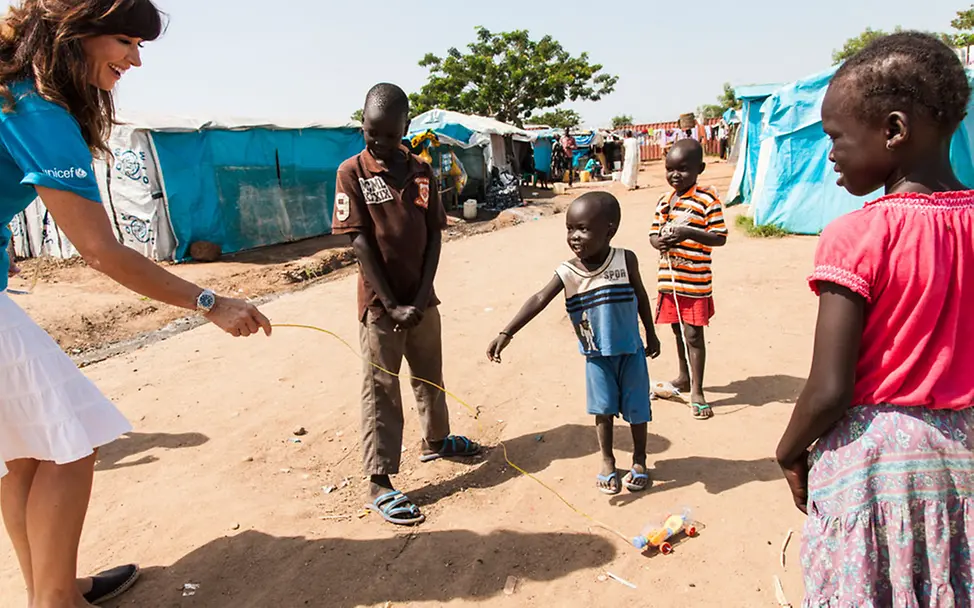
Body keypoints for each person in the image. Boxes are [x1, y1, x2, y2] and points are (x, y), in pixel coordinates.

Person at [0, 2, 272, 607]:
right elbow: (100, 250)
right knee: (72, 444)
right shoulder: (37, 109)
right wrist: (209, 300)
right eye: (124, 40)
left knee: (25, 453)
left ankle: (51, 588)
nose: (135, 58)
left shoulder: (11, 93)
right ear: (72, 36)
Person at [775, 32, 974, 605]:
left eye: (836, 137)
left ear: (893, 130)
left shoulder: (857, 236)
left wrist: (789, 450)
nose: (829, 153)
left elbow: (831, 388)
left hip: (875, 465)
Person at [332, 83, 480, 527]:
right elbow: (359, 243)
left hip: (420, 300)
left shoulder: (420, 171)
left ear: (405, 128)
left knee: (429, 375)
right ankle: (379, 480)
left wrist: (419, 297)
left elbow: (434, 234)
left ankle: (436, 440)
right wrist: (392, 303)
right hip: (381, 307)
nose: (375, 141)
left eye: (386, 134)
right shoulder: (352, 172)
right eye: (369, 131)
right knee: (380, 389)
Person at [487, 192, 661, 495]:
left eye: (583, 229)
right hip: (596, 356)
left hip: (631, 352)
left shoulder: (625, 259)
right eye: (570, 229)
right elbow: (540, 299)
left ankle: (640, 460)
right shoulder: (568, 272)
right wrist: (507, 332)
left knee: (637, 410)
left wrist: (651, 332)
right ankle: (607, 461)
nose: (574, 237)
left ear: (609, 230)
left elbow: (642, 297)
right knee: (602, 410)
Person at [649, 140, 727, 420]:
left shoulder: (707, 200)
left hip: (695, 282)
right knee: (676, 331)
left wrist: (687, 233)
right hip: (669, 281)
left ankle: (697, 389)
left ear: (699, 169)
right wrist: (659, 242)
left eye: (683, 169)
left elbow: (720, 237)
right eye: (670, 169)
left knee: (693, 335)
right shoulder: (664, 201)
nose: (675, 175)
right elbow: (653, 235)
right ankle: (683, 375)